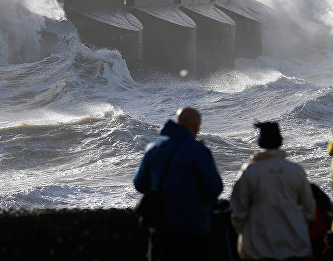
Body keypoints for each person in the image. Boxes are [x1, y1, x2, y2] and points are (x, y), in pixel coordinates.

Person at [134, 107, 223, 261]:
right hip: (193, 228)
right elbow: (215, 188)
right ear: (195, 126)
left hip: (160, 227)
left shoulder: (153, 148)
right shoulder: (199, 151)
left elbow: (140, 184)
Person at [230, 121, 316, 261]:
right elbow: (309, 209)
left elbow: (238, 210)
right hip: (295, 245)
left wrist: (245, 232)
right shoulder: (295, 170)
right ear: (280, 141)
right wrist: (297, 224)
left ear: (260, 142)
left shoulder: (250, 171)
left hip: (258, 247)